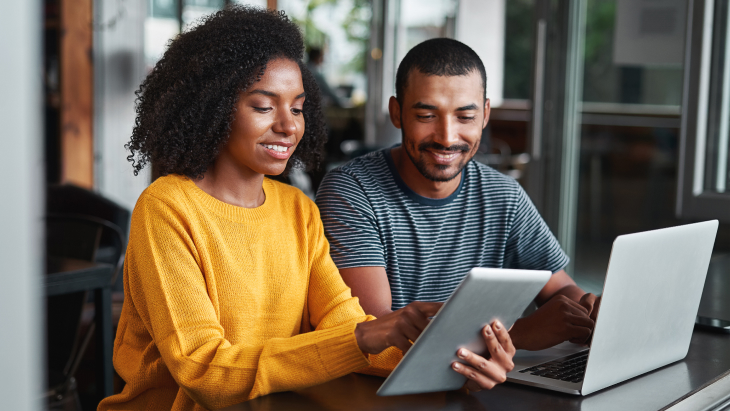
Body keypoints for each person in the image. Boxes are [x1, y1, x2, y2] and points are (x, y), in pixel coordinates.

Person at [98, 9, 515, 411]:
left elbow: (342, 326)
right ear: (212, 106)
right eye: (264, 107)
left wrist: (457, 362)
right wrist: (364, 335)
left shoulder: (298, 209)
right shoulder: (167, 208)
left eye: (297, 108)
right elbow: (204, 371)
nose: (289, 125)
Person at [316, 38, 600, 352]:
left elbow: (561, 289)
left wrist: (588, 309)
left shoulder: (503, 195)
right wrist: (516, 335)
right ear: (396, 113)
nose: (447, 138)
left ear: (486, 114)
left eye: (465, 117)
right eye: (426, 116)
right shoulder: (352, 191)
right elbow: (376, 333)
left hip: (480, 384)